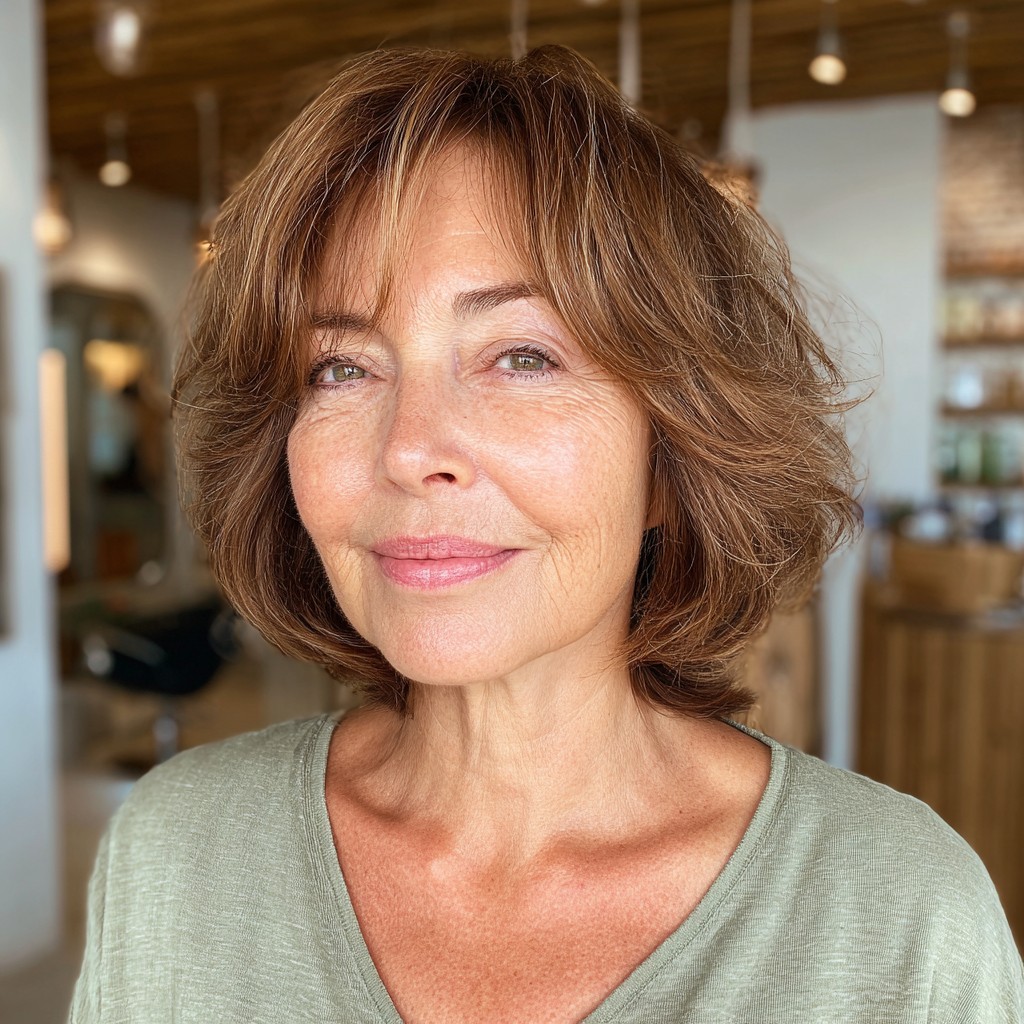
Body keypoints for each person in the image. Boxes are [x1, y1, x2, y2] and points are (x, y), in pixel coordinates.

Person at [69, 45, 1023, 1023]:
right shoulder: (174, 856)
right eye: (342, 367)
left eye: (522, 356)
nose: (409, 449)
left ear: (673, 450)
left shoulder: (900, 922)